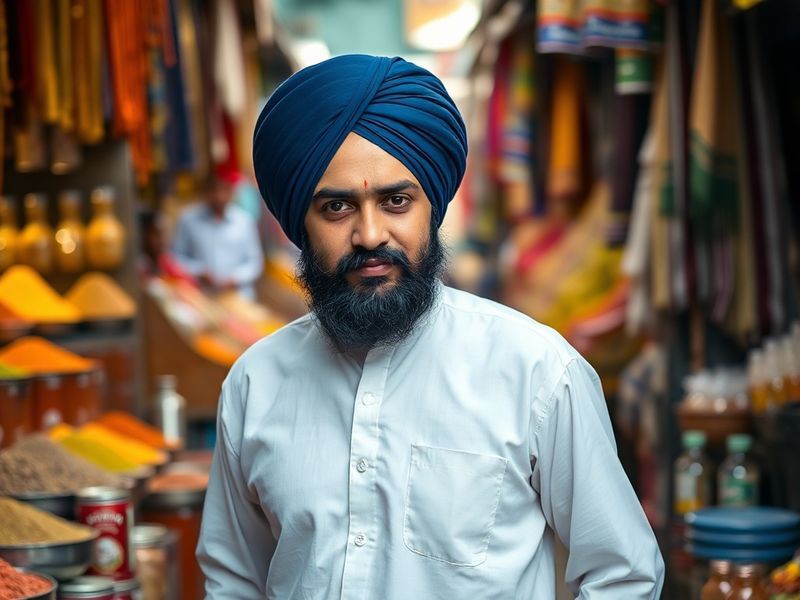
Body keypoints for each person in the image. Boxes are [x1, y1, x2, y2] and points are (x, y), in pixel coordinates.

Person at [197, 54, 665, 599]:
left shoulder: (536, 370)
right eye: (337, 208)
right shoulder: (255, 383)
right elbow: (233, 584)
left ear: (432, 209)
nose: (370, 235)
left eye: (396, 201)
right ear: (300, 221)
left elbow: (623, 574)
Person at [171, 176, 264, 300]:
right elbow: (175, 258)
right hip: (199, 295)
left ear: (232, 191)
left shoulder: (244, 221)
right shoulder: (188, 219)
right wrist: (198, 271)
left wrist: (235, 278)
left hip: (237, 297)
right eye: (214, 190)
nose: (219, 196)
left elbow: (255, 263)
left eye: (224, 190)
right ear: (206, 190)